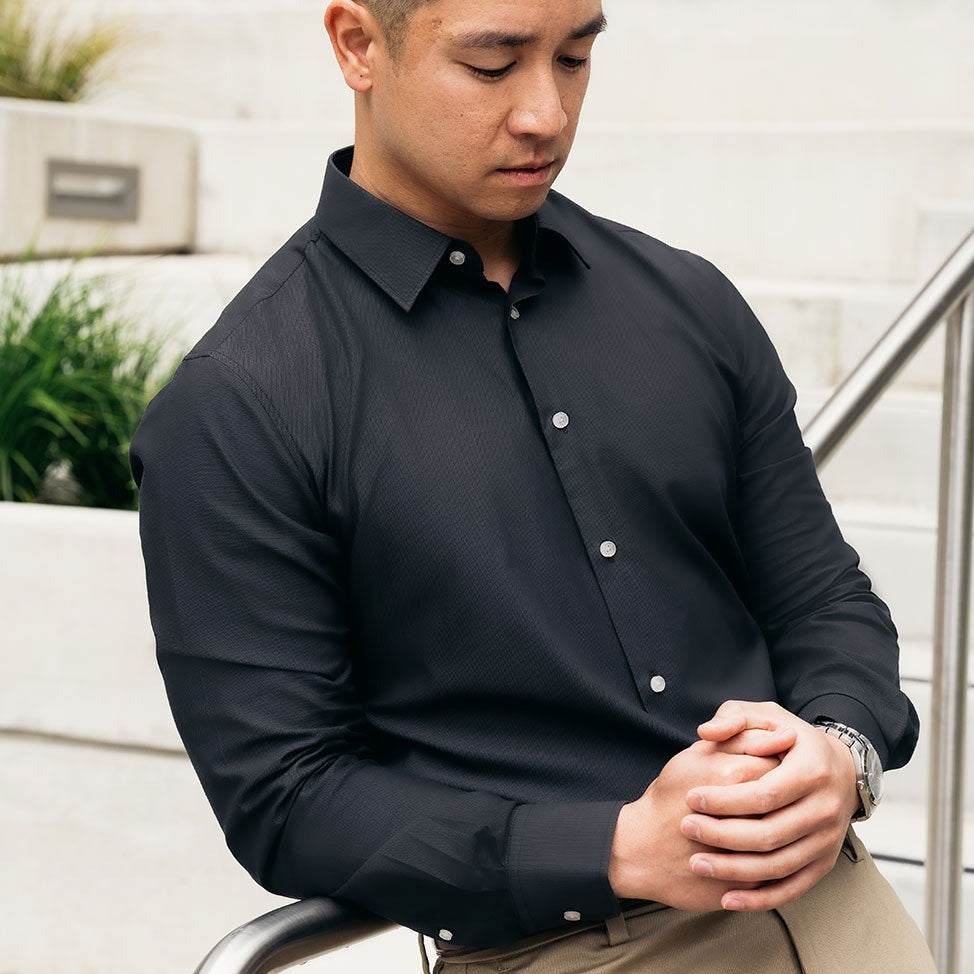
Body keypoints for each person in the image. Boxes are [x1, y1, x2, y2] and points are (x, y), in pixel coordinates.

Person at [129, 1, 937, 971]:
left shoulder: (687, 300)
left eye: (574, 57)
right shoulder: (240, 400)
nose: (544, 114)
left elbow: (821, 596)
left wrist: (838, 748)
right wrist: (613, 845)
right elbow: (286, 797)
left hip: (853, 920)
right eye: (491, 64)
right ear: (356, 46)